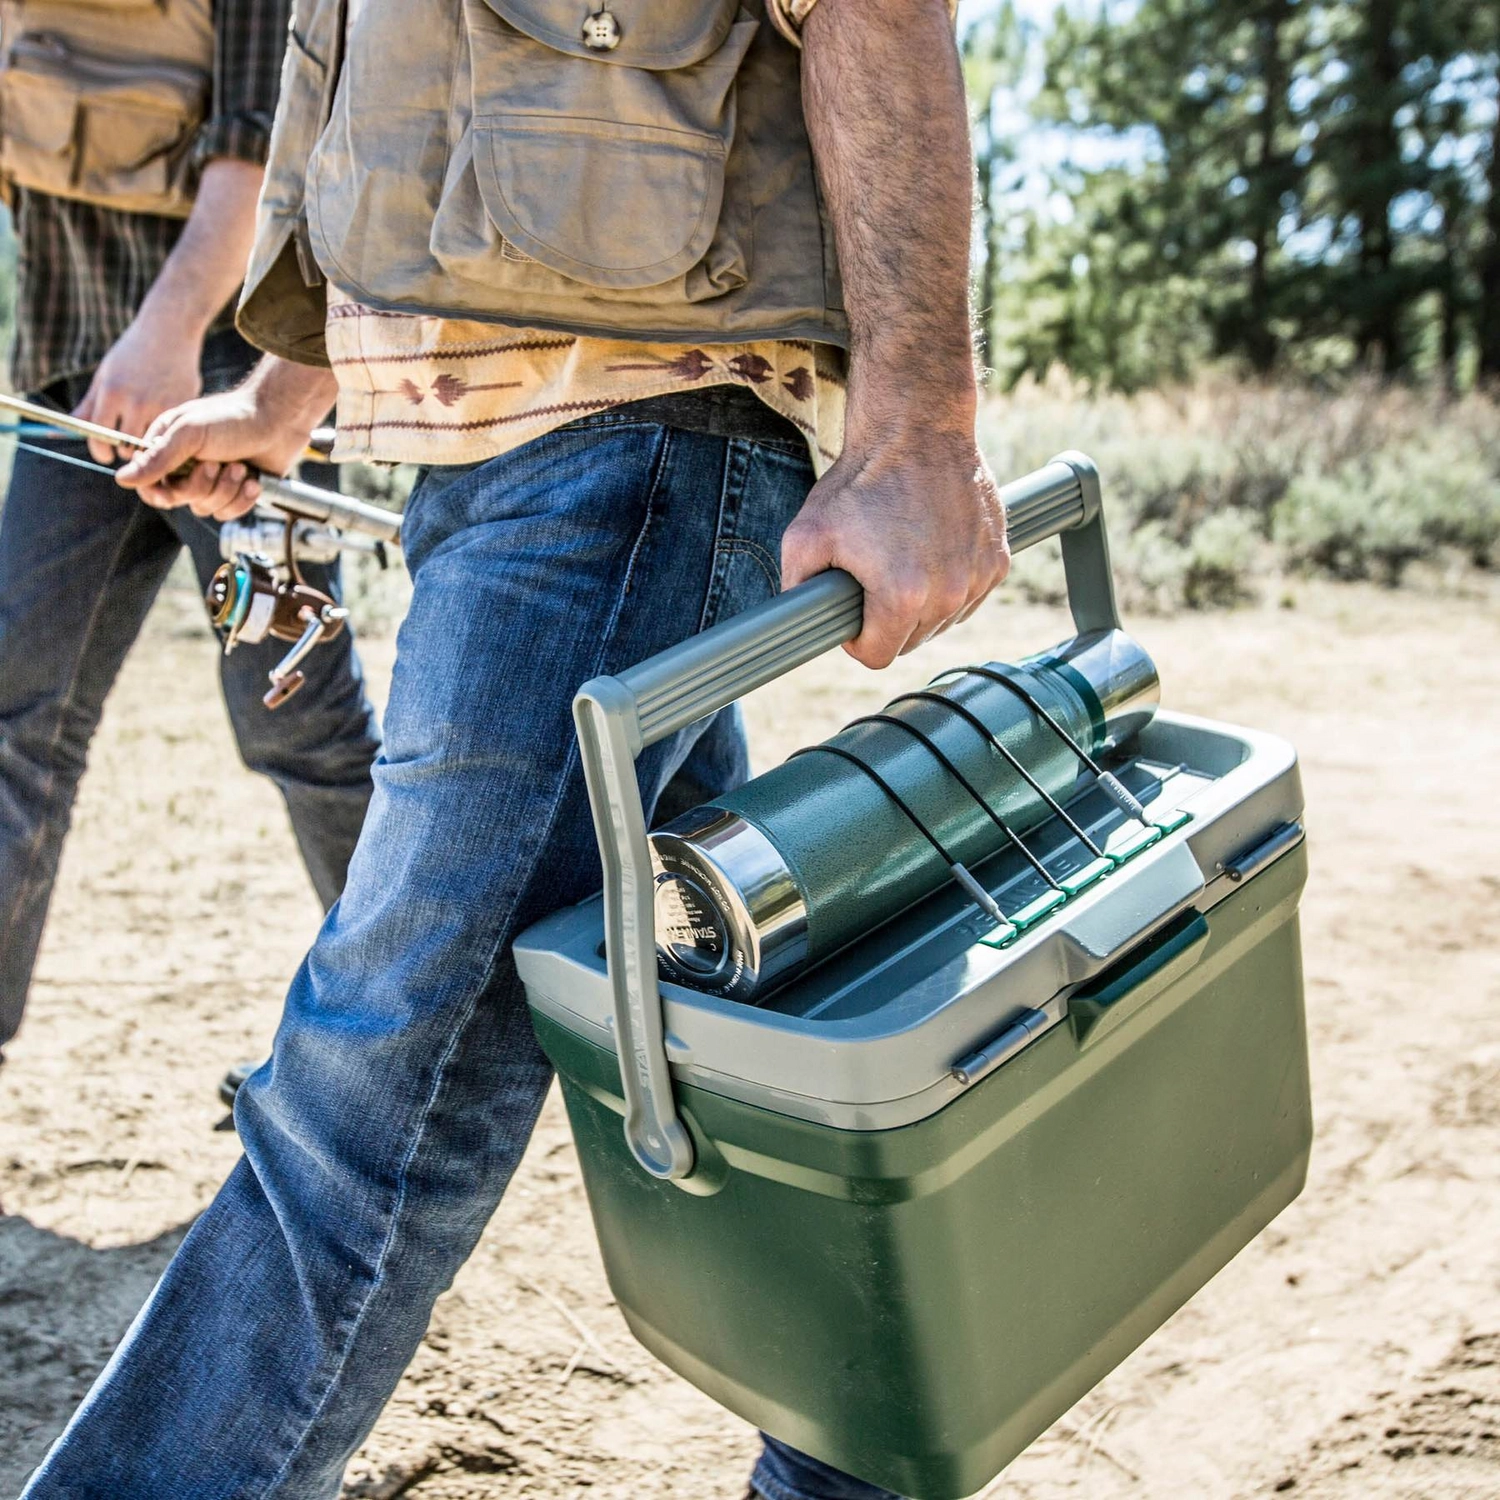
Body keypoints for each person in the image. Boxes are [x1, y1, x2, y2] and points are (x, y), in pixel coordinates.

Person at [20, 0, 1009, 1495]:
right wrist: (282, 399)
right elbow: (417, 116)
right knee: (728, 1028)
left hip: (629, 443)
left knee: (369, 1090)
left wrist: (923, 424)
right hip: (497, 474)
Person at [0, 0, 380, 1066]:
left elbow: (262, 141)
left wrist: (167, 339)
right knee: (14, 711)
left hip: (234, 377)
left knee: (297, 724)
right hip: (70, 369)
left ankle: (401, 1053)